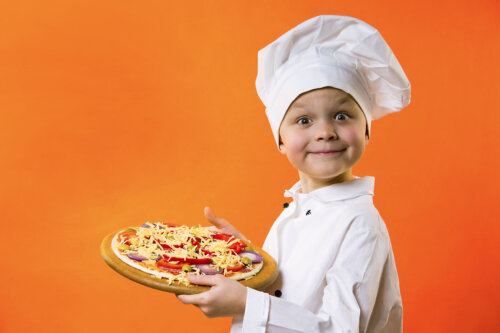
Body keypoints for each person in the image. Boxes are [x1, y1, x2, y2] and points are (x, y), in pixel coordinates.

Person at [177, 15, 411, 332]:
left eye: (342, 115)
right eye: (304, 121)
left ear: (366, 130)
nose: (326, 131)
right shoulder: (298, 210)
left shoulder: (361, 223)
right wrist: (246, 260)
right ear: (280, 140)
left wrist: (246, 303)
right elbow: (289, 297)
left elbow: (340, 328)